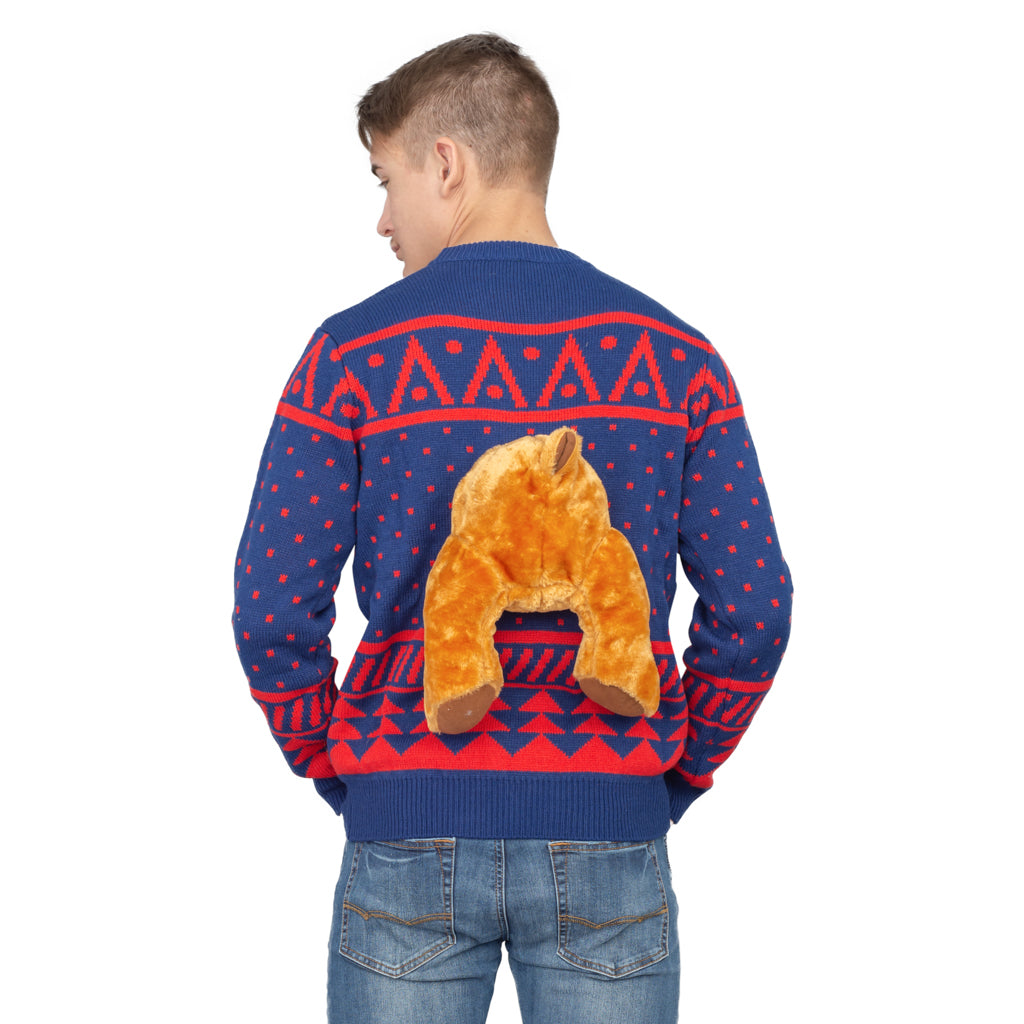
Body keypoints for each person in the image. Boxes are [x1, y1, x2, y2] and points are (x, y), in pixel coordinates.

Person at [232, 32, 792, 1024]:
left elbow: (272, 606)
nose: (381, 219)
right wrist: (667, 771)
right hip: (610, 825)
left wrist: (348, 765)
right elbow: (752, 607)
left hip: (405, 827)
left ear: (446, 163)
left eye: (386, 179)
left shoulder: (350, 355)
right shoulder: (677, 358)